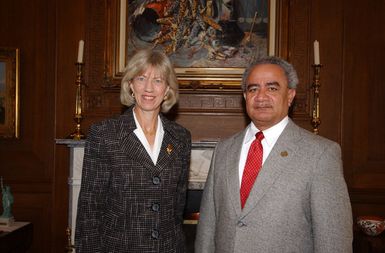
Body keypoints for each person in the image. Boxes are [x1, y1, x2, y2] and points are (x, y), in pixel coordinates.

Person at [195, 56, 353, 253]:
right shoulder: (223, 150)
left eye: (272, 88)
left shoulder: (321, 154)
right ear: (245, 97)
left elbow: (333, 241)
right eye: (253, 89)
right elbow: (208, 228)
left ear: (290, 95)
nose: (261, 96)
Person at [75, 49, 191, 253]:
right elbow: (89, 210)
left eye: (158, 80)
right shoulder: (104, 134)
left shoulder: (181, 138)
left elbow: (177, 207)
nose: (148, 88)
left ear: (167, 90)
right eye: (141, 78)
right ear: (130, 85)